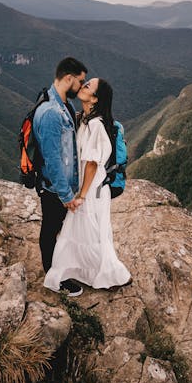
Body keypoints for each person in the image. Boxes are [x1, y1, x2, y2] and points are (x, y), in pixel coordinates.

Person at [44, 77, 131, 293]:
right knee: (86, 230)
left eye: (88, 86)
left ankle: (106, 273)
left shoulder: (94, 124)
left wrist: (81, 195)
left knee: (89, 230)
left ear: (94, 98)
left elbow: (92, 163)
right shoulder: (83, 119)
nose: (82, 87)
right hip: (89, 185)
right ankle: (93, 272)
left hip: (92, 188)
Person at [33, 56, 88, 297]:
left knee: (60, 231)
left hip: (60, 185)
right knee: (51, 229)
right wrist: (66, 194)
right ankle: (54, 278)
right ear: (69, 78)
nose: (82, 87)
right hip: (53, 187)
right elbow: (52, 159)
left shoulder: (64, 105)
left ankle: (59, 271)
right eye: (80, 81)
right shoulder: (51, 113)